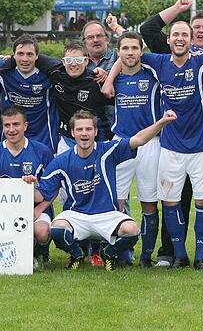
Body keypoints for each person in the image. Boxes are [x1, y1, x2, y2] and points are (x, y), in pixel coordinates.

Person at [103, 20, 203, 270]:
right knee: (171, 202)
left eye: (185, 34)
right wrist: (109, 79)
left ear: (191, 39)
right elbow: (127, 55)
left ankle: (201, 257)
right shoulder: (159, 62)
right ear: (169, 40)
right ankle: (180, 256)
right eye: (175, 34)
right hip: (170, 146)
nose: (180, 38)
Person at [37, 110, 176, 270]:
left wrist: (162, 121)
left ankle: (108, 253)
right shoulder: (61, 161)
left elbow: (139, 139)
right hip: (77, 215)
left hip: (106, 214)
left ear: (95, 132)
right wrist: (28, 184)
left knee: (132, 230)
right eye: (80, 129)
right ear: (72, 132)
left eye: (89, 129)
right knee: (57, 229)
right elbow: (42, 193)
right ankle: (77, 255)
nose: (84, 134)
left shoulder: (108, 150)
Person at [0, 40, 110, 154]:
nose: (73, 64)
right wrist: (7, 63)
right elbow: (28, 56)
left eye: (78, 60)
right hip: (66, 140)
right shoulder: (56, 71)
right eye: (69, 60)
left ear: (86, 61)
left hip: (96, 140)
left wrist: (108, 78)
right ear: (63, 62)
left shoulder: (97, 80)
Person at [109, 32, 164, 267]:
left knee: (148, 203)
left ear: (142, 51)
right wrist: (109, 79)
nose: (130, 53)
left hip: (150, 143)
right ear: (118, 52)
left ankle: (146, 256)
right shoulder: (113, 78)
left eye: (134, 48)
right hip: (120, 142)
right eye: (125, 49)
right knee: (116, 202)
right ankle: (119, 254)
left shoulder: (154, 74)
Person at [0, 106, 54, 269]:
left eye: (16, 124)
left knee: (42, 232)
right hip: (5, 209)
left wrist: (37, 203)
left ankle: (40, 252)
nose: (11, 129)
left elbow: (52, 188)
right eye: (7, 125)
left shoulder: (42, 151)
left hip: (36, 208)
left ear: (25, 126)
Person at [0, 34, 59, 152]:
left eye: (30, 54)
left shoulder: (50, 74)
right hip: (11, 140)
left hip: (44, 141)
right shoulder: (3, 73)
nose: (25, 59)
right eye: (20, 54)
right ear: (13, 56)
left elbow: (69, 66)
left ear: (37, 57)